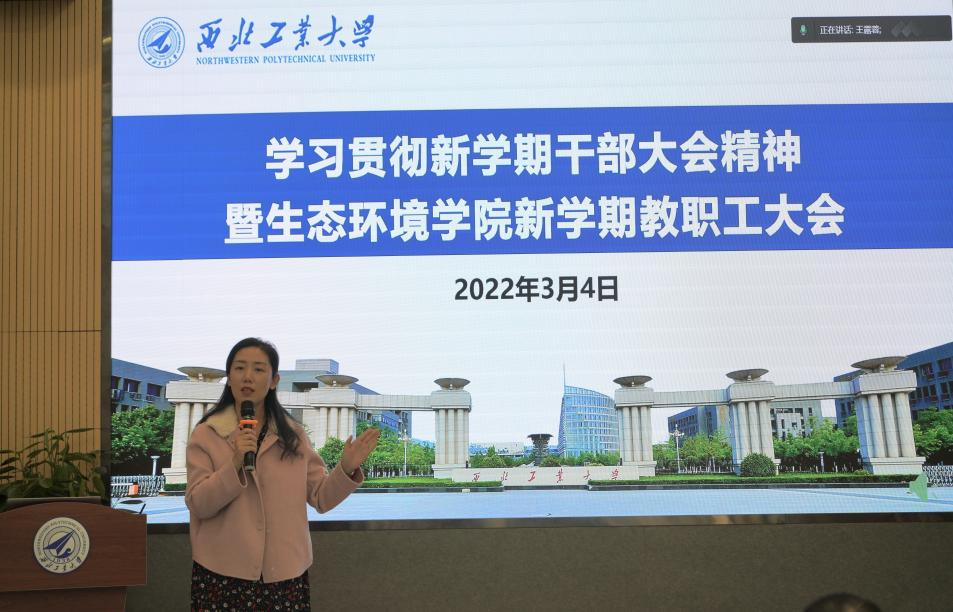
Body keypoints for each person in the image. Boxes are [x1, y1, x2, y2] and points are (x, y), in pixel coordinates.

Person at [185, 337, 379, 610]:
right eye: (239, 368)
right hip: (222, 574)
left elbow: (320, 497)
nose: (248, 376)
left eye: (258, 369)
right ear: (229, 378)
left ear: (274, 380)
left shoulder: (293, 435)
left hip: (284, 574)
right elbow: (199, 504)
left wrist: (346, 467)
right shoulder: (207, 434)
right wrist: (235, 463)